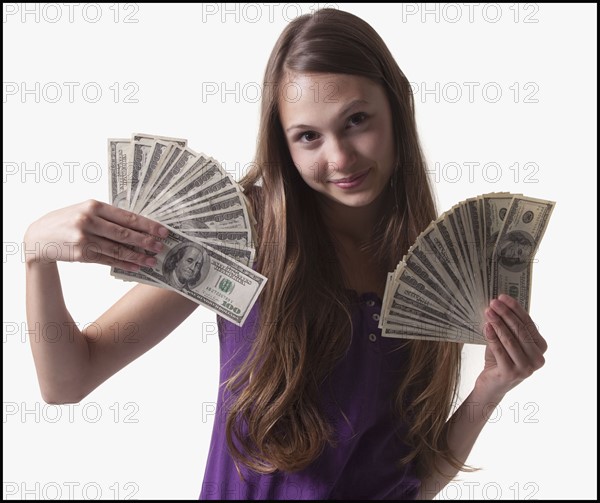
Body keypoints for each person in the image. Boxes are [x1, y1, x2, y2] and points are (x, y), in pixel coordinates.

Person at [24, 8, 547, 500]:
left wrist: (491, 387)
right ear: (284, 143)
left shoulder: (436, 266)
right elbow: (68, 380)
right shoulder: (243, 236)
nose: (339, 157)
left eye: (357, 120)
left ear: (397, 106)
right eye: (308, 137)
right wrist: (36, 256)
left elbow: (410, 483)